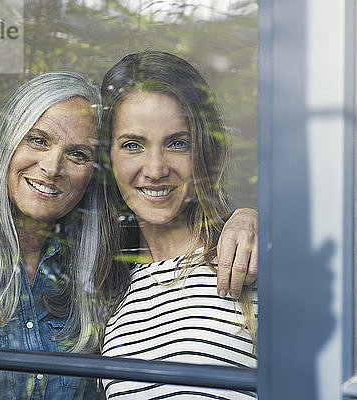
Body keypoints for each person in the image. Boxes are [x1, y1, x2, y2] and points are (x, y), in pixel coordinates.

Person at [0, 70, 257, 399]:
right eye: (38, 140)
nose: (52, 167)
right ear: (3, 146)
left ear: (96, 171)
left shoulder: (99, 273)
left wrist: (253, 220)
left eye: (78, 154)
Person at [98, 50, 257, 399]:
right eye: (133, 145)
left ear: (204, 150)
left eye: (177, 143)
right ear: (107, 157)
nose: (155, 169)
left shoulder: (246, 260)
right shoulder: (106, 291)